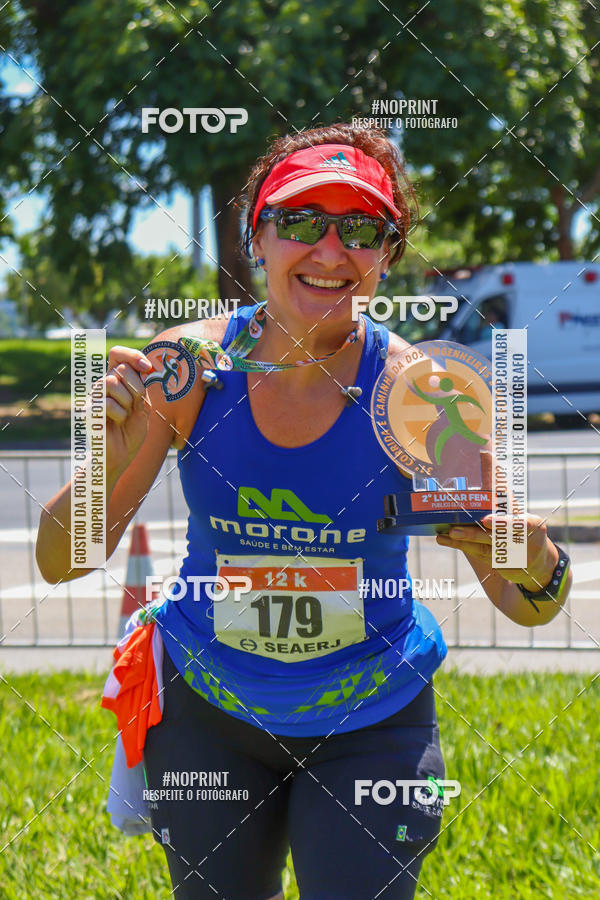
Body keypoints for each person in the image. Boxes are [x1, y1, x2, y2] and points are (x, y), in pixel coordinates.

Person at [36, 124, 573, 900]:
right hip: (208, 710)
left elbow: (528, 605)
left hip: (373, 720)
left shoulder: (425, 395)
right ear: (257, 236)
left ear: (387, 254)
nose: (329, 251)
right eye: (299, 222)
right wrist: (108, 466)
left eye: (359, 229)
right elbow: (64, 562)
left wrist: (536, 557)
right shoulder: (190, 370)